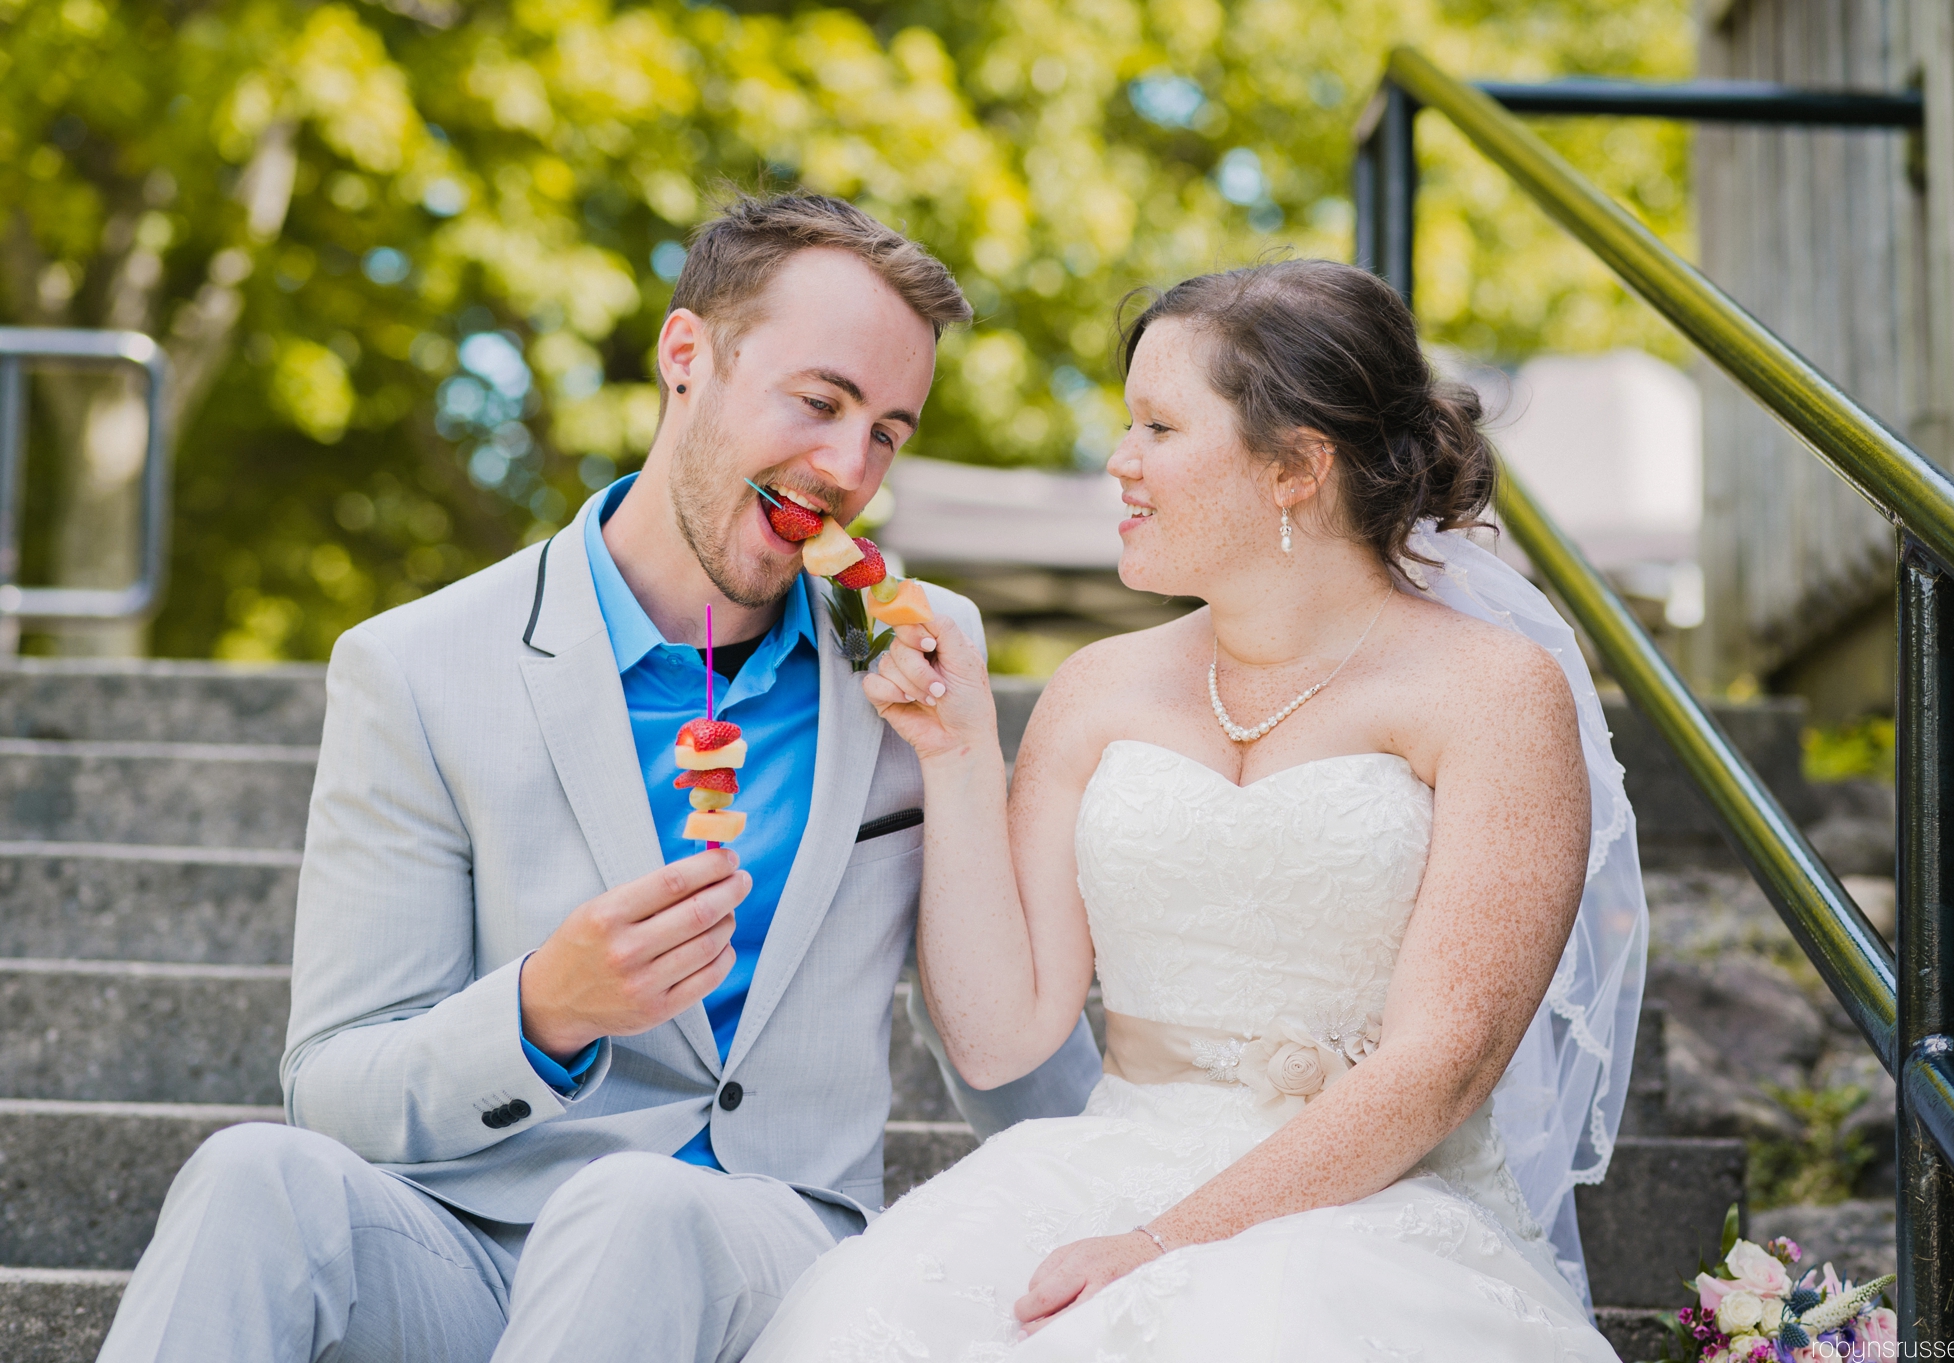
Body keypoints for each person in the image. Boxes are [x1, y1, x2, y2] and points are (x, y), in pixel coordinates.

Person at [95, 192, 1100, 1363]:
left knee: (633, 1209)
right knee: (250, 1173)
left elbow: (1011, 1063)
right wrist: (543, 1009)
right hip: (471, 1252)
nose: (845, 465)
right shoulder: (415, 668)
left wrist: (966, 761)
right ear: (687, 357)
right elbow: (335, 1089)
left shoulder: (923, 654)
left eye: (886, 430)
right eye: (819, 402)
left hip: (770, 1244)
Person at [745, 258, 1649, 1361]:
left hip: (1365, 1202)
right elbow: (995, 1039)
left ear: (1294, 467)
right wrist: (956, 749)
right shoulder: (1096, 687)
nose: (1118, 465)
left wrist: (1163, 1241)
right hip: (1102, 1163)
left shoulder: (1492, 692)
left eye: (1158, 428)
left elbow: (1445, 1059)